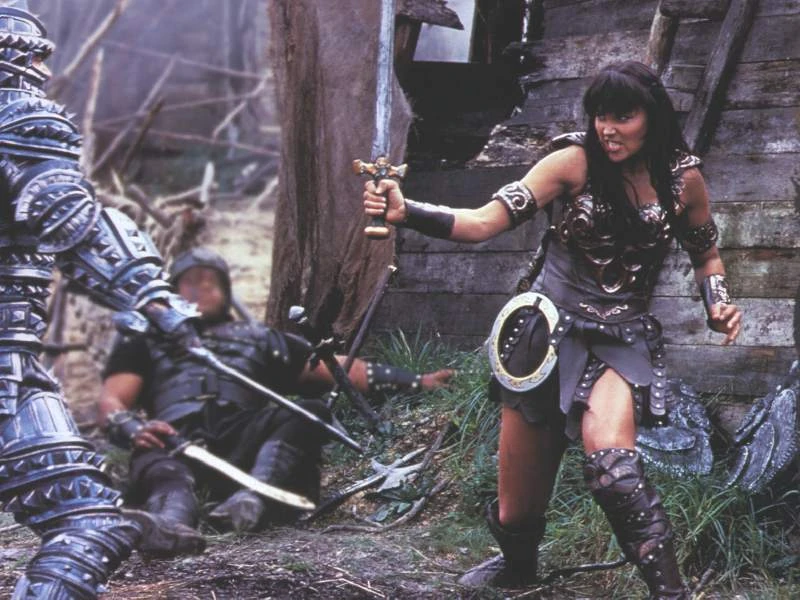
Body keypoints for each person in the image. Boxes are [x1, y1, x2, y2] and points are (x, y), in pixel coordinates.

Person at [363, 61, 742, 598]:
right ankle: (519, 565)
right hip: (545, 337)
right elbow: (482, 223)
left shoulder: (684, 180)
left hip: (619, 340)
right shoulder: (571, 162)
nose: (608, 129)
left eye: (623, 117)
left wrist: (718, 304)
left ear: (652, 117)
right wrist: (409, 211)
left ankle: (671, 593)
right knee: (517, 511)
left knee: (614, 464)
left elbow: (706, 256)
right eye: (600, 116)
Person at [0, 2, 209, 598]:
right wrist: (153, 299)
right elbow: (71, 218)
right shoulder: (18, 115)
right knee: (87, 522)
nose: (44, 70)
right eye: (35, 56)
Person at [98, 247, 453, 557]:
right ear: (173, 291)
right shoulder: (144, 340)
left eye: (210, 281)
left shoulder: (260, 339)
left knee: (310, 413)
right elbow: (113, 398)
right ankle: (170, 524)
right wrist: (130, 427)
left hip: (243, 440)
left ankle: (254, 499)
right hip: (176, 440)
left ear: (225, 291)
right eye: (190, 281)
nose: (201, 287)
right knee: (156, 458)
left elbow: (341, 370)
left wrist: (418, 381)